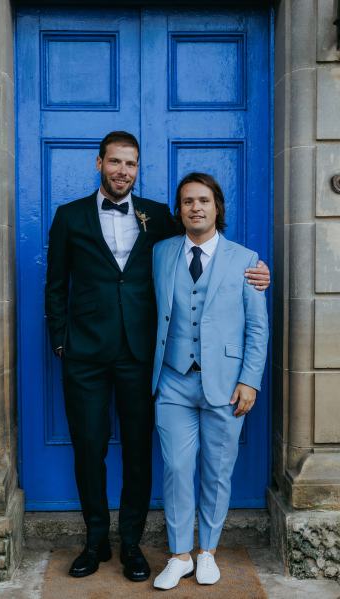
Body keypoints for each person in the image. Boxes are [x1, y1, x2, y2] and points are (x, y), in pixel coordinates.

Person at [45, 132, 270, 582]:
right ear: (100, 163)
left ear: (138, 168)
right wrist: (61, 342)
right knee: (88, 448)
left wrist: (257, 272)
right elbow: (56, 284)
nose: (122, 171)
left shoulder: (161, 217)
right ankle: (94, 541)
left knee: (137, 451)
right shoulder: (68, 217)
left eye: (130, 164)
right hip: (85, 356)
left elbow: (207, 249)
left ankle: (131, 544)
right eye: (115, 162)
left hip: (140, 356)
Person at [152, 172, 269, 590]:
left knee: (218, 470)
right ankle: (180, 553)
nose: (195, 208)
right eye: (187, 202)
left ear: (217, 207)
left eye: (203, 200)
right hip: (173, 381)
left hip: (226, 383)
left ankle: (208, 552)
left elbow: (257, 328)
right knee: (177, 468)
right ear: (179, 211)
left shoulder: (246, 259)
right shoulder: (161, 253)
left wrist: (250, 381)